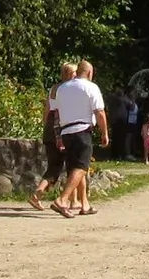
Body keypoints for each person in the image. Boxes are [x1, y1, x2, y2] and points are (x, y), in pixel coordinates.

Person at [52, 59, 108, 217]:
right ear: (89, 73)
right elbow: (100, 112)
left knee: (75, 168)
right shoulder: (91, 87)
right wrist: (104, 133)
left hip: (66, 131)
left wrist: (58, 134)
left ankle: (84, 204)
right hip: (82, 130)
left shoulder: (62, 88)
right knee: (82, 167)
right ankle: (62, 200)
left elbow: (56, 112)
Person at [28, 61, 78, 212]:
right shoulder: (68, 90)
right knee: (63, 165)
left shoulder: (54, 88)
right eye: (74, 73)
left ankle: (72, 199)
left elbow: (47, 109)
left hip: (50, 127)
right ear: (70, 74)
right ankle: (38, 194)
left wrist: (46, 126)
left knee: (55, 165)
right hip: (60, 128)